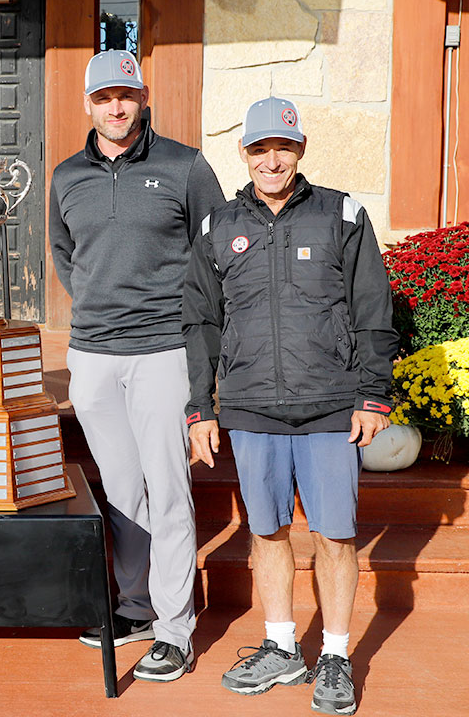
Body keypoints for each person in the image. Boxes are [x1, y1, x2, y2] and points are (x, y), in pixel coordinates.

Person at [183, 97, 397, 716]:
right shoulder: (217, 226)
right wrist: (201, 409)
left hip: (332, 406)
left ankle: (334, 653)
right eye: (259, 148)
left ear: (299, 149)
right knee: (266, 530)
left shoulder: (343, 214)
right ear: (244, 153)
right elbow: (200, 323)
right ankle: (281, 647)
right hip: (251, 407)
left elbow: (373, 310)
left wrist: (372, 393)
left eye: (283, 147)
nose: (271, 159)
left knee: (334, 535)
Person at [48, 50, 225, 682]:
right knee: (120, 491)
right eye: (104, 98)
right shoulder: (67, 175)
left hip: (163, 354)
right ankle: (135, 606)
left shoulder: (185, 166)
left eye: (126, 96)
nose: (116, 108)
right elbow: (66, 254)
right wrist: (100, 303)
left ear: (142, 97)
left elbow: (215, 257)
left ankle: (176, 631)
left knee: (168, 490)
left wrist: (196, 344)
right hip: (93, 355)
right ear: (87, 103)